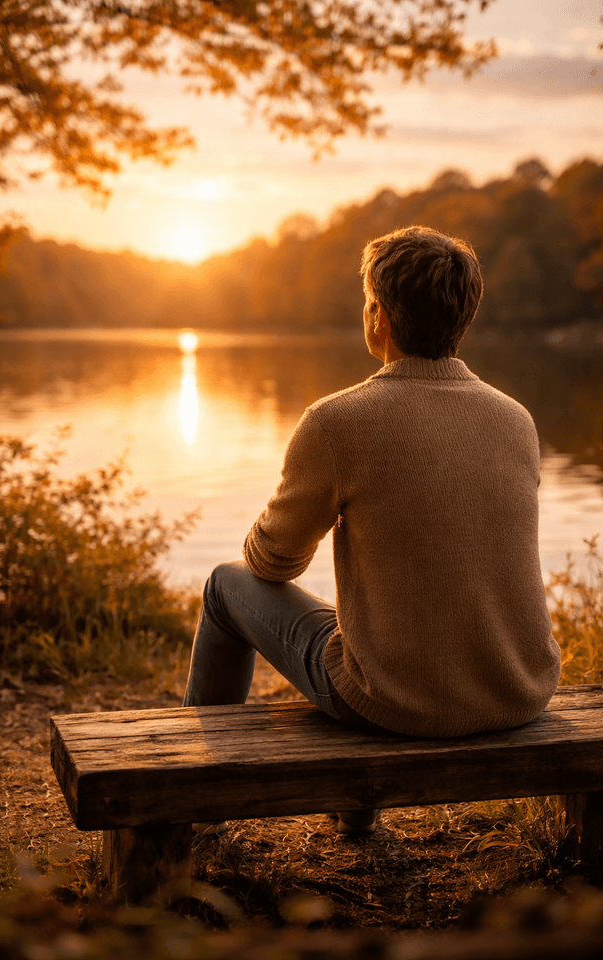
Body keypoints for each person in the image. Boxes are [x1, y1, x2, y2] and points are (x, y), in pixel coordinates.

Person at [183, 225, 561, 835]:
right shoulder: (515, 419)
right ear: (462, 317)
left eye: (367, 301)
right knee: (370, 618)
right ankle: (355, 822)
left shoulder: (338, 421)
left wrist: (275, 521)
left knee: (226, 585)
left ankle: (194, 803)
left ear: (378, 316)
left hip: (393, 703)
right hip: (518, 689)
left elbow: (273, 563)